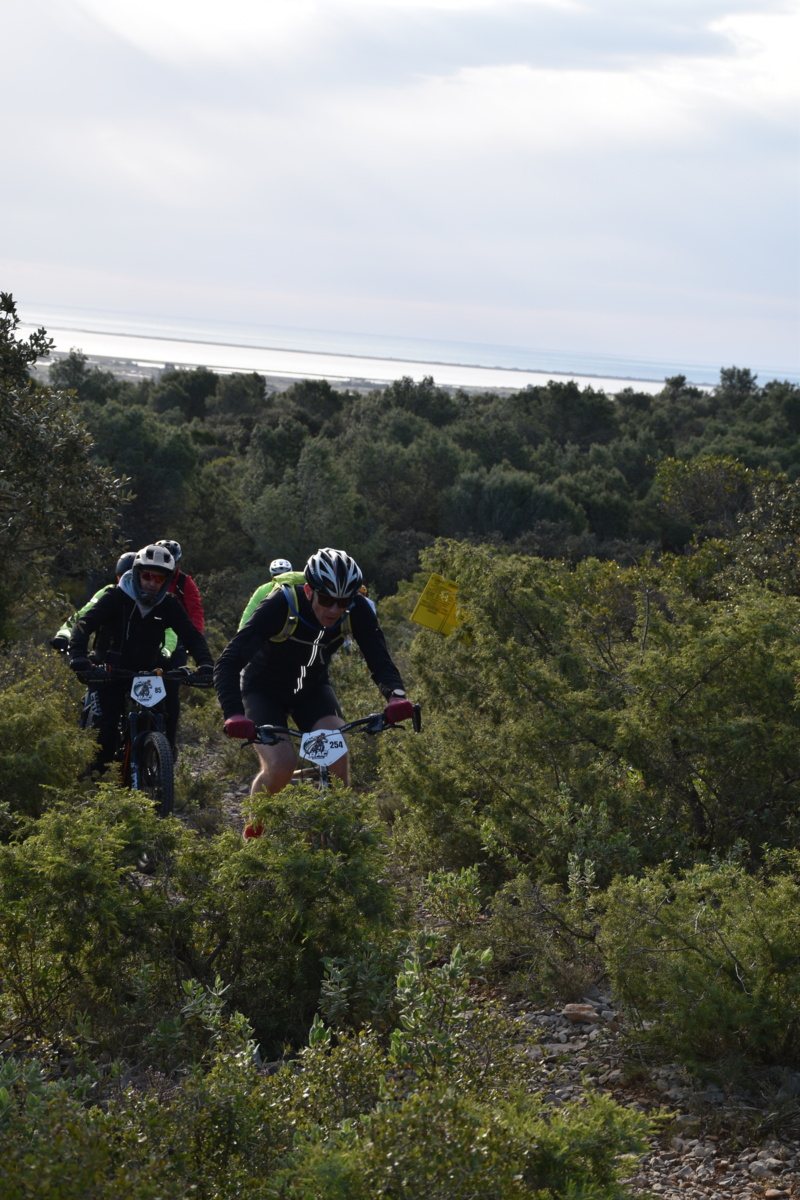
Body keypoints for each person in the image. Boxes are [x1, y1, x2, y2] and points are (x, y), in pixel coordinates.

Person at [215, 547, 412, 802]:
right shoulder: (280, 604)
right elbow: (229, 662)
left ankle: (334, 824)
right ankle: (256, 823)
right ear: (309, 591)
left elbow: (379, 659)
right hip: (262, 690)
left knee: (337, 760)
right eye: (327, 600)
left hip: (312, 690)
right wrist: (233, 713)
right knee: (282, 764)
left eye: (343, 602)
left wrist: (396, 696)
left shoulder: (358, 609)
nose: (335, 610)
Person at [68, 544, 214, 769]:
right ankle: (96, 780)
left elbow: (192, 636)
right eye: (147, 576)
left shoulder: (169, 604)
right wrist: (79, 655)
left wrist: (205, 663)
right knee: (104, 733)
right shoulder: (115, 596)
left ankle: (152, 769)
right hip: (108, 671)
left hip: (147, 672)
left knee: (158, 720)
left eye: (159, 579)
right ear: (137, 573)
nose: (152, 583)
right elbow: (83, 624)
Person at [50, 552, 136, 654]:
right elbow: (82, 616)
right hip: (105, 658)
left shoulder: (151, 598)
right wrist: (64, 635)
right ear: (117, 577)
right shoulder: (110, 593)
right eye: (123, 577)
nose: (127, 582)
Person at [237, 557, 301, 630]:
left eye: (285, 575)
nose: (281, 578)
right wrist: (241, 630)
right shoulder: (262, 590)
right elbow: (249, 612)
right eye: (277, 575)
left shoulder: (299, 588)